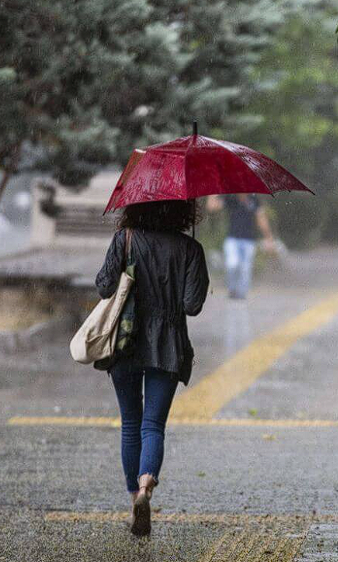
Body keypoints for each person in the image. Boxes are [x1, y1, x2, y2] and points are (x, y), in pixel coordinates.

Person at [95, 200, 209, 537]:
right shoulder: (190, 248)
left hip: (125, 340)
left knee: (131, 423)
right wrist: (193, 263)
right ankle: (147, 485)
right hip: (167, 344)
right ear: (181, 211)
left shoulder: (125, 239)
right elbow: (192, 305)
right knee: (153, 425)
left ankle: (134, 501)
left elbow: (104, 286)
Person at [207, 194, 276, 299]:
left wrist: (268, 237)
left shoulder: (254, 200)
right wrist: (213, 192)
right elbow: (211, 207)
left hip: (249, 240)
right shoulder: (231, 199)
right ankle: (232, 289)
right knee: (232, 264)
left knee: (245, 269)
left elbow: (261, 218)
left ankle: (242, 294)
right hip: (232, 239)